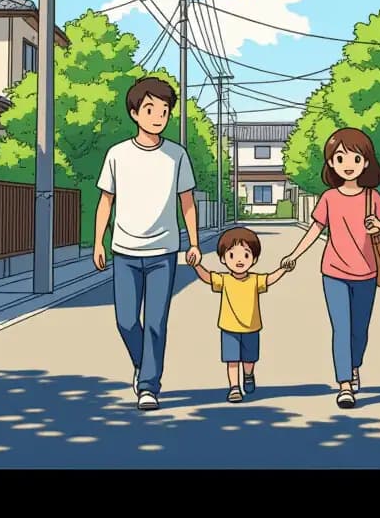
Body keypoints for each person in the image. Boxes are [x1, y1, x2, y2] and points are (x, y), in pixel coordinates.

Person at [93, 77, 202, 411]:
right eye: (150, 109)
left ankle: (149, 385)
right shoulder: (118, 155)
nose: (158, 116)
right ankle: (143, 364)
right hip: (124, 251)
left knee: (156, 322)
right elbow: (106, 201)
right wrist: (98, 241)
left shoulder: (177, 155)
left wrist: (193, 242)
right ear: (135, 113)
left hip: (163, 252)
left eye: (165, 111)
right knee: (126, 321)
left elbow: (187, 202)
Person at [281, 127, 380, 409]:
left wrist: (378, 225)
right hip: (334, 272)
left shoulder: (372, 196)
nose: (348, 165)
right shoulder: (329, 198)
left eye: (355, 159)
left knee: (359, 329)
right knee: (341, 327)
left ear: (365, 162)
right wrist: (294, 255)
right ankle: (344, 383)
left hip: (367, 272)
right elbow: (315, 228)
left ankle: (354, 365)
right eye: (340, 158)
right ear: (331, 163)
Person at [186, 226, 294, 403]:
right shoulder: (224, 280)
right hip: (229, 327)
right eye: (232, 255)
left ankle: (248, 375)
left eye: (245, 255)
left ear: (254, 258)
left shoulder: (255, 280)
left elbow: (270, 279)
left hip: (252, 327)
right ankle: (234, 387)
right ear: (223, 259)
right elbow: (207, 277)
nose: (239, 261)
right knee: (232, 360)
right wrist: (197, 265)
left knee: (249, 359)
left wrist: (283, 269)